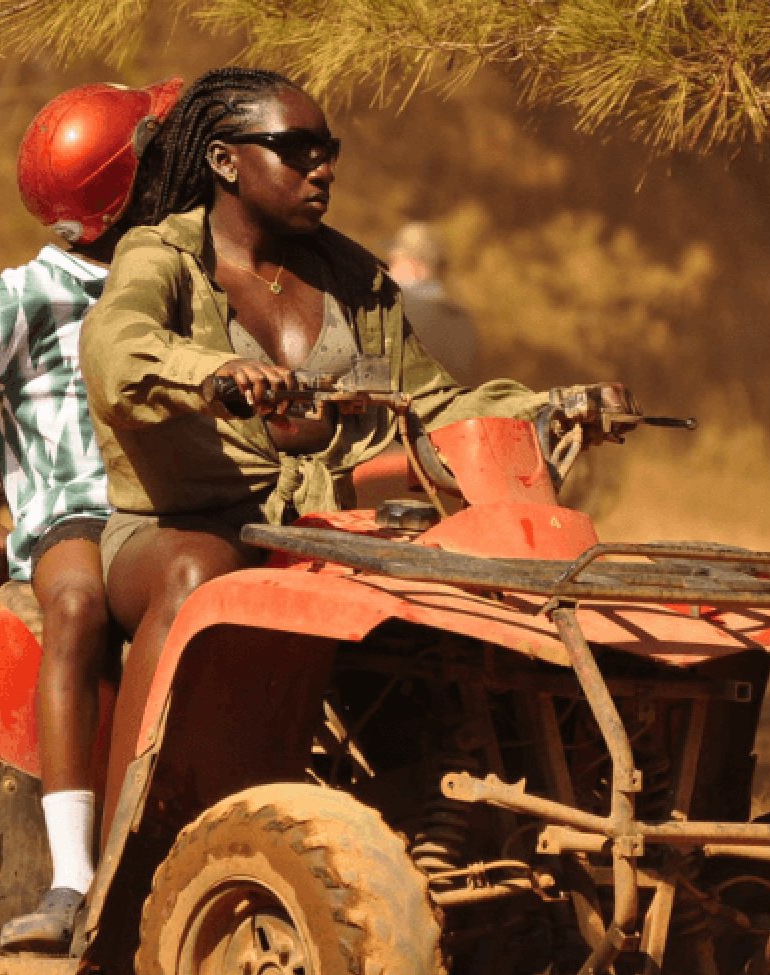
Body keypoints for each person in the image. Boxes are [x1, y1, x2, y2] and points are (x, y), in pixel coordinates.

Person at [79, 67, 641, 835]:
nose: (323, 168)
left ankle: (455, 823)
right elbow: (117, 355)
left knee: (456, 613)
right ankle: (131, 846)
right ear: (224, 161)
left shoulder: (356, 279)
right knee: (199, 573)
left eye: (328, 149)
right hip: (184, 525)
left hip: (327, 535)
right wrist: (213, 372)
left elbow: (433, 403)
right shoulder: (162, 257)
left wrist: (553, 408)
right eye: (296, 149)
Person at [0, 78, 184, 954]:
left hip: (162, 512)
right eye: (156, 164)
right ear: (124, 194)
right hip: (72, 513)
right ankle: (72, 876)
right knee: (78, 605)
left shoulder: (180, 280)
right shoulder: (33, 294)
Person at [387, 220, 479, 384]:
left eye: (394, 261)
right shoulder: (463, 320)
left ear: (413, 265)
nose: (389, 269)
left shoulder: (395, 308)